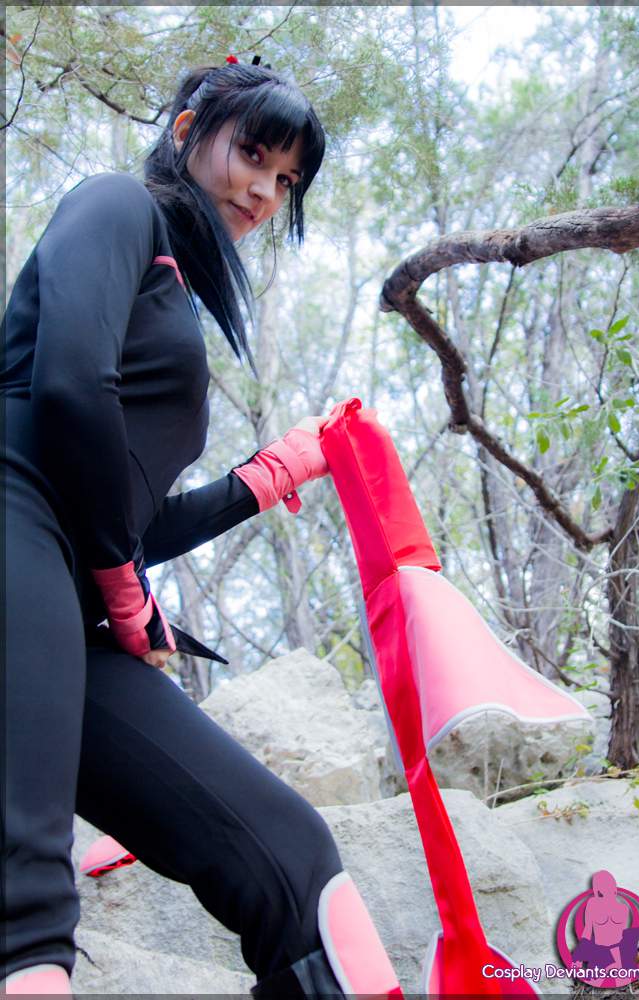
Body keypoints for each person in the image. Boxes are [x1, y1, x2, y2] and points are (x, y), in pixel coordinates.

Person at [1, 60, 402, 997]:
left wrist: (271, 475)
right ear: (185, 131)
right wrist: (121, 583)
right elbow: (68, 390)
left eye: (287, 179)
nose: (264, 192)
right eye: (253, 154)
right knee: (29, 899)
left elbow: (127, 513)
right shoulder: (114, 204)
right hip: (14, 523)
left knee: (293, 863)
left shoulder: (176, 291)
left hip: (64, 596)